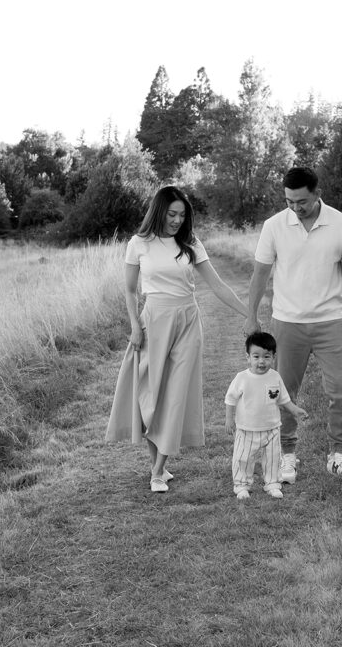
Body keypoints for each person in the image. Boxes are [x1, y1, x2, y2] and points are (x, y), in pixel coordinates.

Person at [105, 185, 247, 492]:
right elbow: (130, 290)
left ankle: (158, 470)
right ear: (159, 211)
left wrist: (247, 313)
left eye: (182, 215)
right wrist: (134, 325)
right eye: (171, 214)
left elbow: (218, 285)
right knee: (150, 393)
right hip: (153, 320)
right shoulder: (138, 243)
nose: (177, 221)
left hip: (187, 321)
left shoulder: (191, 242)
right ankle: (156, 462)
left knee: (177, 393)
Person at [244, 165, 342, 484]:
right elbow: (260, 273)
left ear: (317, 194)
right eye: (289, 202)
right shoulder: (273, 227)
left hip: (330, 322)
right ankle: (287, 456)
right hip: (287, 323)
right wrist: (251, 315)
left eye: (302, 202)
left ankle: (337, 455)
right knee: (282, 392)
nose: (295, 208)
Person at [224, 331, 308, 501]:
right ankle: (241, 485)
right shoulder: (242, 378)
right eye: (256, 356)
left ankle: (272, 484)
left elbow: (284, 399)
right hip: (246, 429)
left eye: (266, 356)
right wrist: (229, 419)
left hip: (272, 428)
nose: (261, 361)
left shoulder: (275, 377)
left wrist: (295, 410)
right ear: (248, 357)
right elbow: (230, 399)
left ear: (273, 357)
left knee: (272, 459)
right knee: (243, 459)